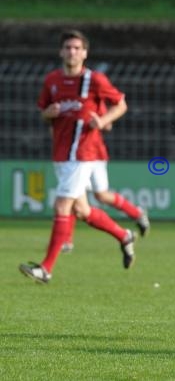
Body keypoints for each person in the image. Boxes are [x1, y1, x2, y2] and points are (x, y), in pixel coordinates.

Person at [19, 29, 138, 284]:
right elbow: (43, 113)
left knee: (62, 205)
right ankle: (124, 235)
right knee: (82, 211)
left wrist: (103, 121)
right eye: (68, 48)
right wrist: (48, 113)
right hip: (61, 153)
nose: (72, 52)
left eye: (77, 48)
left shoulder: (94, 80)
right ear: (61, 52)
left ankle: (46, 269)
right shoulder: (52, 80)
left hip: (82, 153)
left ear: (85, 53)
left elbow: (121, 103)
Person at [60, 104, 150, 254]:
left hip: (94, 155)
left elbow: (108, 124)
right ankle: (66, 240)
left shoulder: (92, 98)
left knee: (100, 195)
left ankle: (136, 215)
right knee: (73, 196)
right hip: (76, 157)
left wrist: (98, 121)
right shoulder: (67, 99)